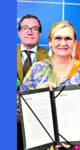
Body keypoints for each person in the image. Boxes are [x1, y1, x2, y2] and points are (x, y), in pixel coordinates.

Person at [20, 20, 80, 150]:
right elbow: (20, 106)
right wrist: (37, 93)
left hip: (78, 145)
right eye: (58, 38)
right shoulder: (37, 69)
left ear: (75, 42)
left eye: (68, 38)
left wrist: (73, 136)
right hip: (43, 143)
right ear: (50, 41)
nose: (63, 43)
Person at [17, 14, 49, 150]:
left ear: (40, 33)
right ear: (19, 32)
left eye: (34, 28)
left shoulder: (51, 56)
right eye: (25, 28)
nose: (29, 32)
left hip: (40, 120)